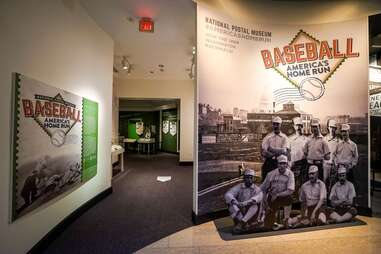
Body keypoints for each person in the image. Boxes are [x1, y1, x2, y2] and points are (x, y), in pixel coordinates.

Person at [261, 155, 295, 230]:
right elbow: (263, 189)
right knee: (268, 226)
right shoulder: (270, 174)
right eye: (280, 163)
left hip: (284, 196)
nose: (282, 165)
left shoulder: (290, 174)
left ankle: (286, 219)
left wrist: (277, 195)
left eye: (284, 163)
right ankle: (272, 220)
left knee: (289, 198)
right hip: (272, 198)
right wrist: (265, 203)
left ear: (286, 164)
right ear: (277, 164)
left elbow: (290, 190)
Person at [225, 169, 263, 234]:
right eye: (247, 177)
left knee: (255, 206)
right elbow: (228, 194)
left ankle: (242, 223)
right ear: (244, 178)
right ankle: (245, 224)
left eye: (251, 177)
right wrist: (235, 202)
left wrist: (245, 203)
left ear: (253, 179)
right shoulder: (239, 186)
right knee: (231, 205)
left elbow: (259, 196)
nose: (249, 179)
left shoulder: (257, 189)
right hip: (239, 209)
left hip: (250, 211)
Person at [261, 116, 290, 182]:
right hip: (269, 163)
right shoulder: (267, 137)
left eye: (277, 124)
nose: (276, 126)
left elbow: (284, 151)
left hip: (280, 163)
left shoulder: (284, 138)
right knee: (267, 182)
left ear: (280, 125)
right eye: (274, 124)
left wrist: (271, 149)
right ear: (272, 125)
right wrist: (278, 152)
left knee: (280, 182)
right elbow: (264, 152)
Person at [289, 117, 308, 196]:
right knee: (293, 185)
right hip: (293, 164)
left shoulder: (306, 139)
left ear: (302, 126)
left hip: (304, 164)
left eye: (300, 125)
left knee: (302, 184)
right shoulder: (290, 139)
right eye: (297, 125)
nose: (299, 127)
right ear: (294, 126)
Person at [323, 119, 340, 184]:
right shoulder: (324, 140)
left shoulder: (339, 141)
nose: (332, 129)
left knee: (334, 183)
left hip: (335, 165)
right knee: (325, 182)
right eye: (330, 127)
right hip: (326, 165)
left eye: (334, 128)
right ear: (328, 127)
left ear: (336, 129)